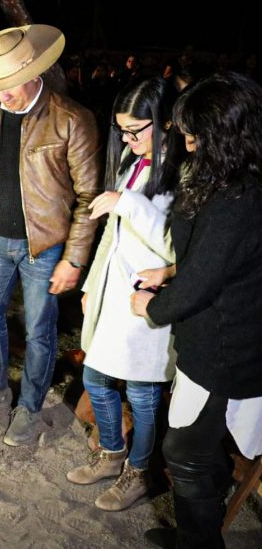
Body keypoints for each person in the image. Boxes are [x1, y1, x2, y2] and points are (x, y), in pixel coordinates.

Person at [0, 24, 102, 446]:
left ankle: (30, 406)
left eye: (9, 86)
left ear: (33, 73)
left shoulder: (72, 120)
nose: (2, 94)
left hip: (46, 248)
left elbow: (90, 196)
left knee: (39, 329)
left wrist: (73, 259)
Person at [131, 72, 262, 548]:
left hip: (225, 349)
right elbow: (221, 260)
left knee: (182, 451)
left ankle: (200, 542)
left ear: (225, 136)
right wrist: (169, 273)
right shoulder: (236, 184)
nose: (187, 144)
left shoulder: (237, 199)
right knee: (199, 446)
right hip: (227, 339)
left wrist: (152, 306)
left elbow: (202, 285)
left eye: (195, 134)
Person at [66, 77, 177, 511]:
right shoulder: (134, 162)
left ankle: (139, 472)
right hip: (114, 295)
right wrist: (92, 285)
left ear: (165, 121)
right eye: (122, 131)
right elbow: (111, 238)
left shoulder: (182, 169)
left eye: (136, 129)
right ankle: (112, 454)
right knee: (95, 377)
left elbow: (172, 245)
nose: (128, 139)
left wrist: (127, 204)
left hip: (149, 300)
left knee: (144, 392)